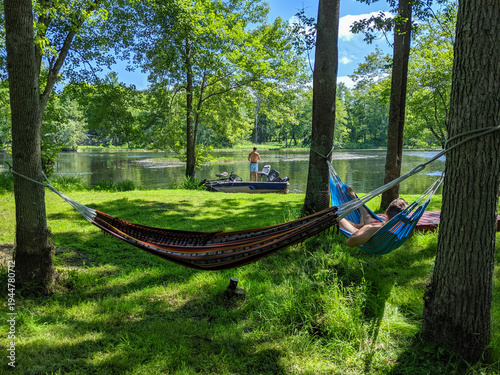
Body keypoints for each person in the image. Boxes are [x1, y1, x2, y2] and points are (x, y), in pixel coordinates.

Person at [339, 187, 409, 247]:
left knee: (339, 218)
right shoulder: (404, 228)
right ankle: (356, 203)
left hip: (362, 232)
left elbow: (349, 243)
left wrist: (370, 228)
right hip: (377, 224)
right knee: (367, 216)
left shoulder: (375, 229)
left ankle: (356, 202)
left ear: (386, 212)